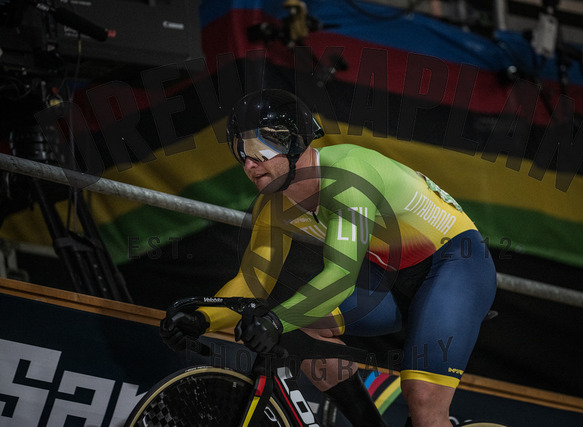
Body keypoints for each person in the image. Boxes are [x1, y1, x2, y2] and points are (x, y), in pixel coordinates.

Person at [160, 89, 497, 427]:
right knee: (300, 325)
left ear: (293, 143)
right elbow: (253, 283)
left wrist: (275, 321)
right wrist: (202, 319)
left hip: (455, 264)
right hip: (389, 273)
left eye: (258, 151)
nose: (249, 164)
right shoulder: (273, 206)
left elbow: (340, 276)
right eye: (240, 152)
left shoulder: (349, 175)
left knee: (422, 399)